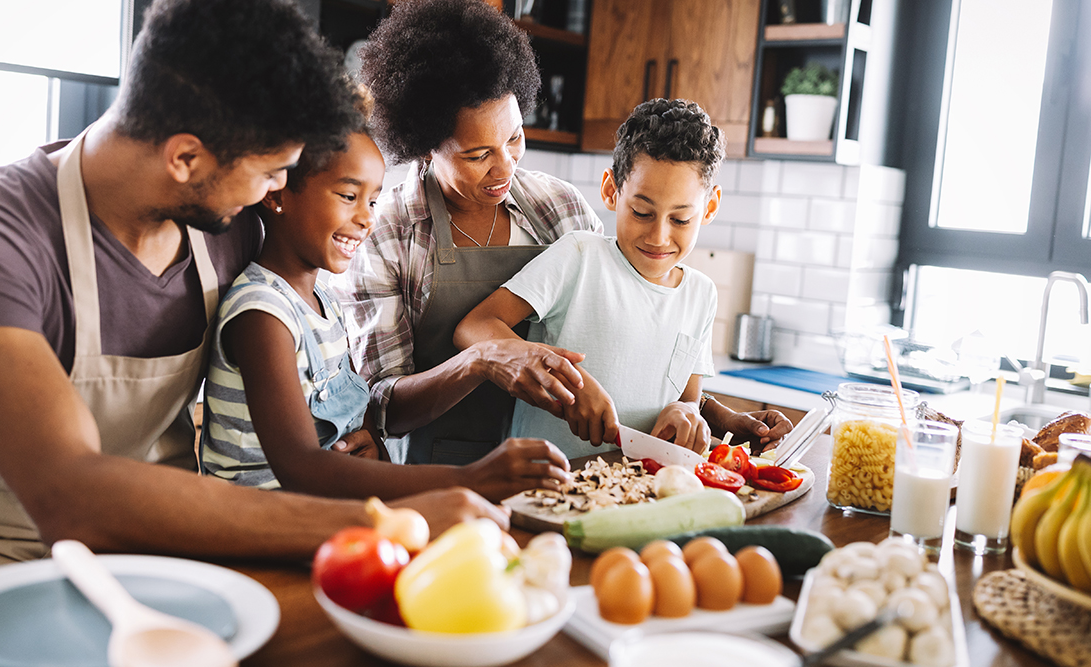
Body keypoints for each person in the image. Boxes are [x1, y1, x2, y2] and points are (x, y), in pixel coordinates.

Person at [0, 0, 505, 578]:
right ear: (186, 157)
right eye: (272, 172)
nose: (274, 192)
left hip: (174, 560)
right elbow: (71, 496)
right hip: (11, 568)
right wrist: (378, 520)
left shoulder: (231, 228)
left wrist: (348, 440)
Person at [200, 124, 570, 501]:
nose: (366, 219)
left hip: (316, 513)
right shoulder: (262, 314)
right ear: (276, 194)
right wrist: (470, 480)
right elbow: (301, 468)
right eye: (348, 196)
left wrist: (370, 443)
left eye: (372, 201)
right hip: (258, 527)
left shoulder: (322, 302)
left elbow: (348, 427)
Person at [334, 0, 605, 467]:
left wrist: (696, 403)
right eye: (478, 155)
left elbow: (621, 325)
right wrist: (483, 360)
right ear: (426, 144)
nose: (506, 167)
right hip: (437, 474)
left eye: (515, 138)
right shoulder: (388, 234)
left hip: (560, 466)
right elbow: (383, 408)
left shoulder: (560, 209)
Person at [455, 99, 793, 458]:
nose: (659, 236)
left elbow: (686, 399)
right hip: (544, 484)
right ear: (611, 191)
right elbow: (474, 327)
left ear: (709, 208)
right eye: (642, 212)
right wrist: (563, 377)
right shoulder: (579, 257)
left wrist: (684, 413)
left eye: (680, 219)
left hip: (636, 492)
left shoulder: (701, 295)